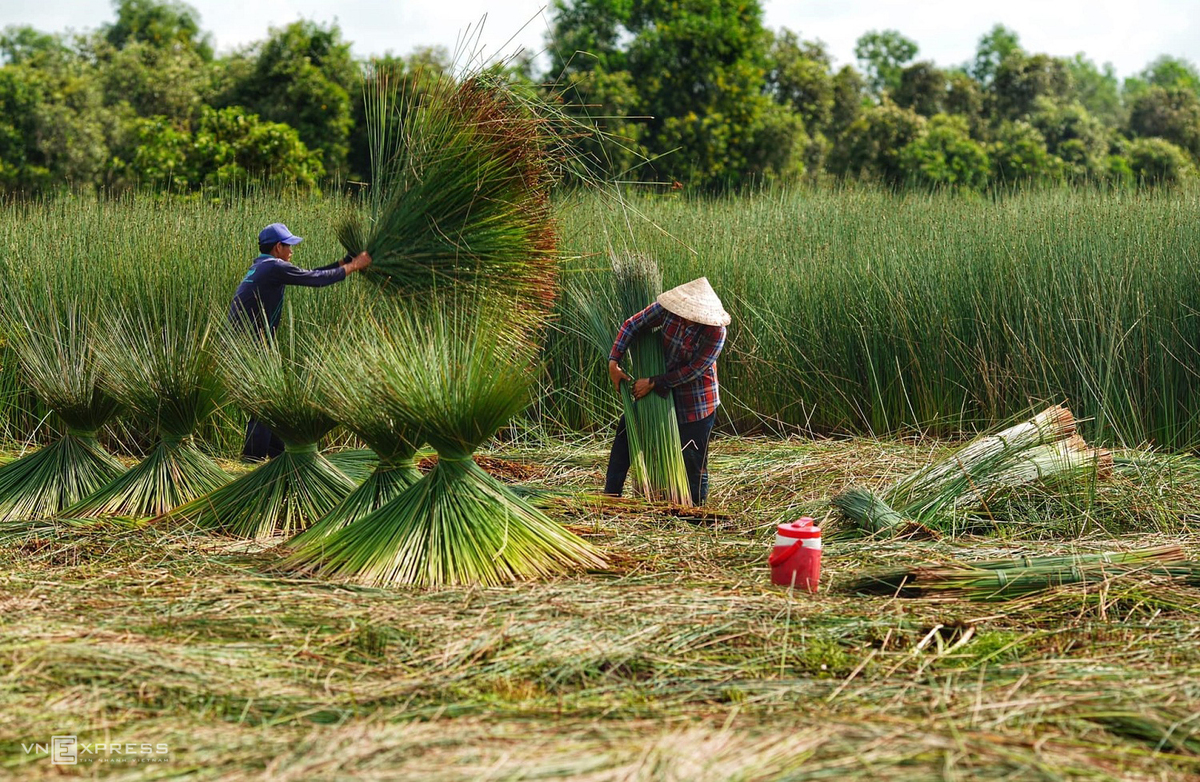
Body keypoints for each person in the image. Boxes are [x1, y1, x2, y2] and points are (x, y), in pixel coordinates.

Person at [228, 222, 372, 460]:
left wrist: (342, 264)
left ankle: (278, 456)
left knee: (274, 402)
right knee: (264, 405)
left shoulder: (264, 266)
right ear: (277, 247)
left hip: (246, 346)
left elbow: (309, 274)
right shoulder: (274, 267)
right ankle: (250, 463)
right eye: (289, 246)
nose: (292, 251)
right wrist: (355, 266)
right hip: (251, 347)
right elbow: (315, 280)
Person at [604, 277, 729, 506]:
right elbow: (632, 325)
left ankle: (694, 512)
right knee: (625, 436)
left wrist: (652, 382)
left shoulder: (715, 332)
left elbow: (694, 370)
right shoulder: (669, 310)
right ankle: (611, 498)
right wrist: (614, 362)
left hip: (696, 400)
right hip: (658, 391)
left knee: (692, 459)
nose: (687, 317)